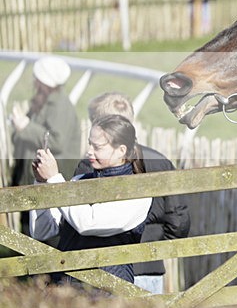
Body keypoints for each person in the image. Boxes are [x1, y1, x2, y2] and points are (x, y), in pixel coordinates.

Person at [73, 92, 190, 294]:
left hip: (104, 267)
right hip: (149, 267)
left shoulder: (89, 165)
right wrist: (153, 247)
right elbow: (178, 220)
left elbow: (77, 218)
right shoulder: (160, 160)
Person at [29, 114, 152, 286]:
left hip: (109, 291)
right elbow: (43, 231)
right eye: (90, 144)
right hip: (66, 288)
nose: (89, 151)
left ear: (121, 150)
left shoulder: (138, 192)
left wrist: (55, 179)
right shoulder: (79, 180)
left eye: (98, 147)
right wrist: (42, 183)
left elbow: (88, 223)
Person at [10, 57, 81, 191]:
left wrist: (25, 127)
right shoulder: (43, 101)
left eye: (37, 78)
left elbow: (57, 142)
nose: (34, 82)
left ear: (44, 81)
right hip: (36, 180)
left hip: (52, 183)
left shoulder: (60, 106)